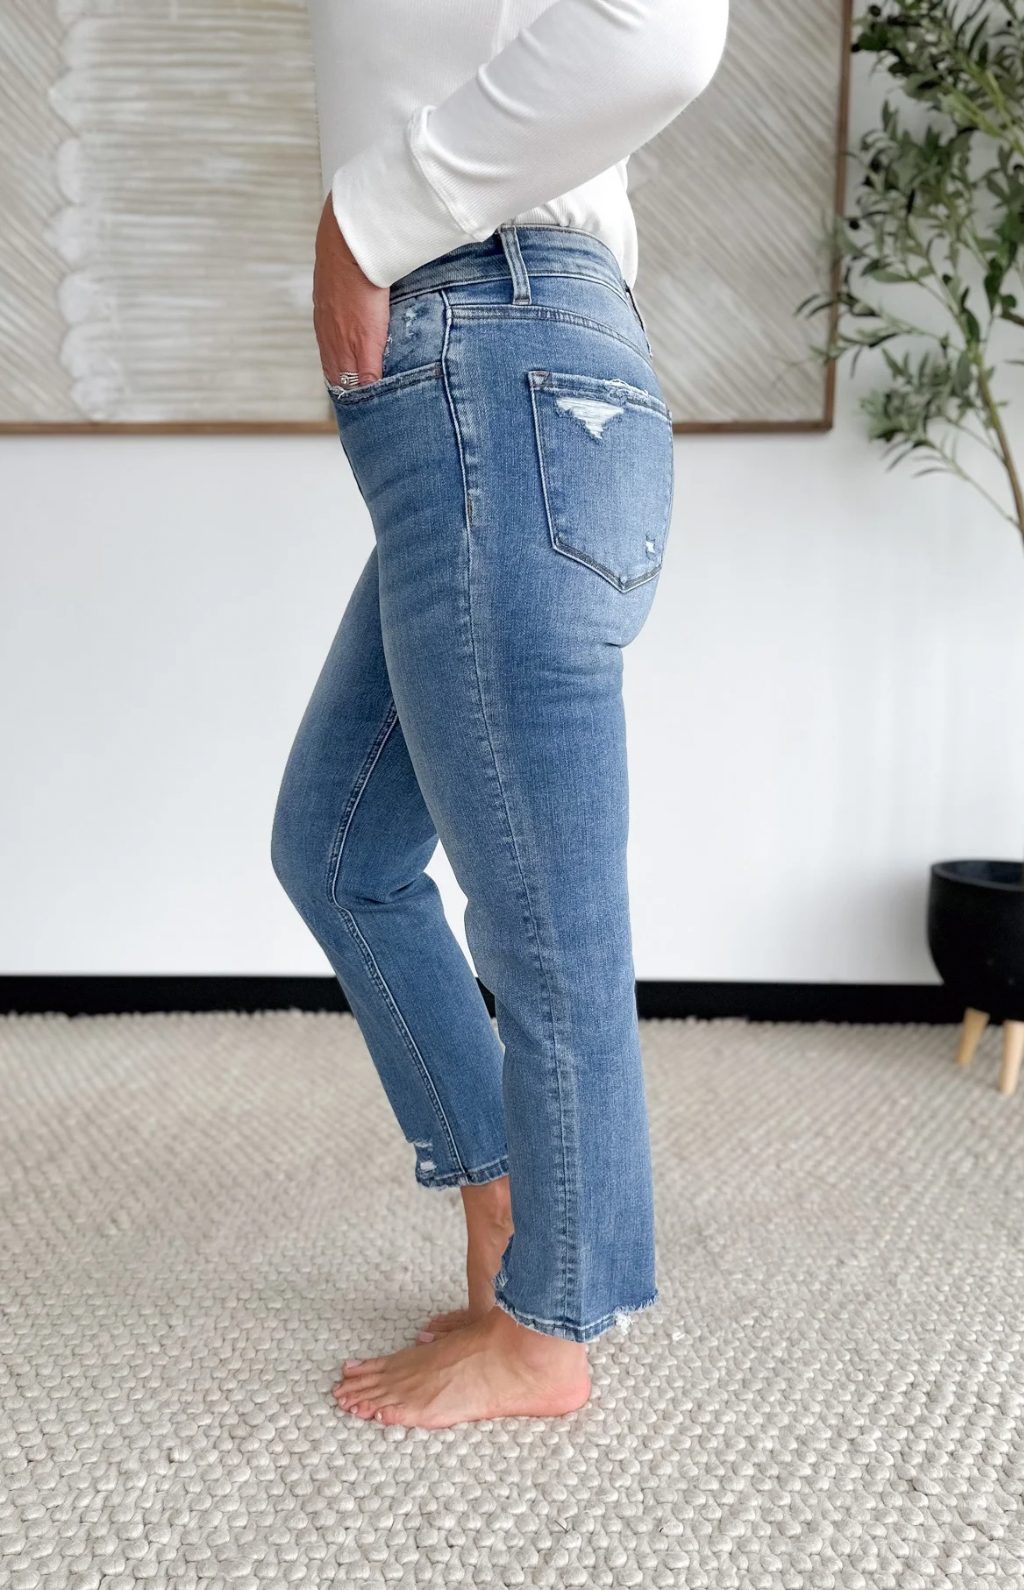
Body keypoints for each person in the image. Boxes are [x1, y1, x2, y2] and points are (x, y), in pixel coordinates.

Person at [271, 0, 729, 1429]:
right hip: (488, 369)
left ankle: (549, 1328)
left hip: (498, 346)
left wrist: (367, 220)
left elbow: (662, 31)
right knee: (340, 846)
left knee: (543, 907)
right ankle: (508, 1205)